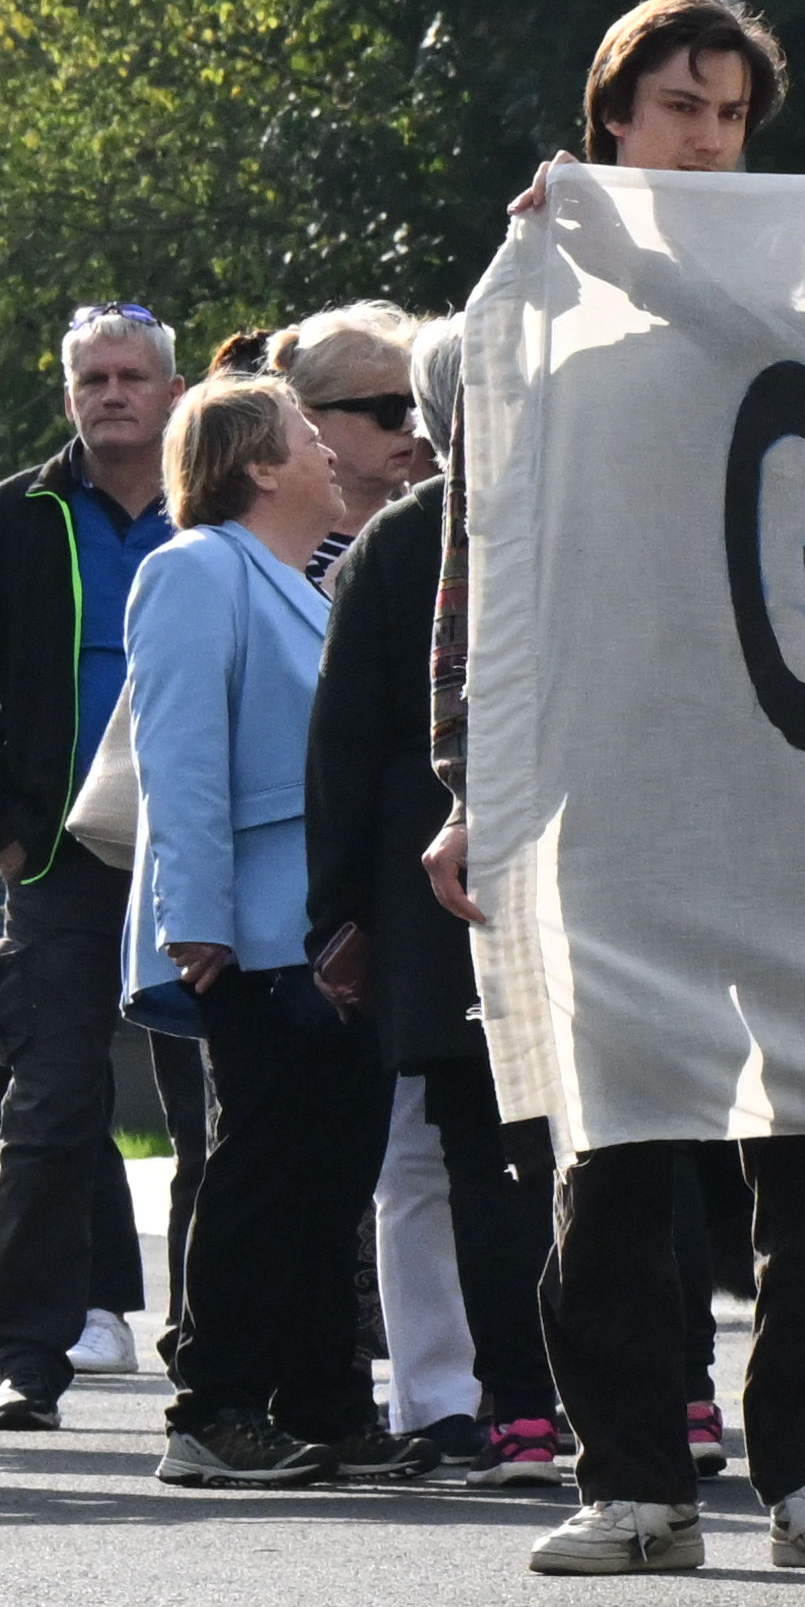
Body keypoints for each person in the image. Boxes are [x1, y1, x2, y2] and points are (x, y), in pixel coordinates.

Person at [499, 0, 805, 1571]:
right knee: (618, 1143)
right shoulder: (535, 322)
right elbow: (494, 568)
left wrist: (648, 270)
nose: (709, 137)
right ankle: (632, 1476)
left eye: (735, 113)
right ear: (611, 117)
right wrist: (471, 780)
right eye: (680, 106)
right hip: (618, 787)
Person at [293, 301, 554, 1474]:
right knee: (589, 1154)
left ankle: (520, 1408)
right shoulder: (565, 523)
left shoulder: (396, 548)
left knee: (480, 1164)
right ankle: (667, 1394)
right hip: (548, 884)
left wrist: (334, 916)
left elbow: (340, 754)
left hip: (438, 908)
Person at [125, 368, 396, 1494]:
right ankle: (215, 1404)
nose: (332, 453)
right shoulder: (196, 569)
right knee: (263, 1167)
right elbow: (178, 756)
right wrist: (194, 921)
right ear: (256, 464)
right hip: (248, 928)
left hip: (319, 926)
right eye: (305, 434)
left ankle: (318, 1398)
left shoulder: (308, 579)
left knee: (328, 1169)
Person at [0, 304, 181, 1425]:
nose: (112, 393)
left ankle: (223, 1345)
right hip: (60, 856)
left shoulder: (220, 512)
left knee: (228, 1106)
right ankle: (28, 1357)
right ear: (68, 393)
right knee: (50, 1103)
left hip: (202, 845)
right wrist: (1, 823)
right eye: (92, 376)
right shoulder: (10, 519)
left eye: (132, 374)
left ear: (171, 391)